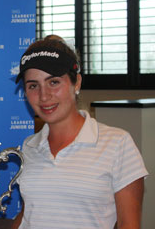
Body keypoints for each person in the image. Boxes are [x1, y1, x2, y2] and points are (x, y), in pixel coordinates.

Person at [12, 35, 148, 229]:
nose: (44, 95)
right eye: (33, 85)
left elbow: (129, 225)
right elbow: (29, 214)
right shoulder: (29, 146)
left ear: (76, 83)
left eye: (54, 82)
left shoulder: (118, 143)